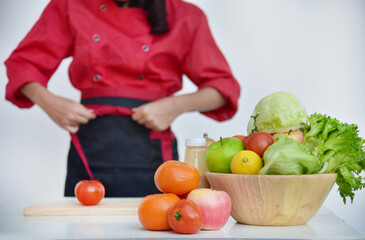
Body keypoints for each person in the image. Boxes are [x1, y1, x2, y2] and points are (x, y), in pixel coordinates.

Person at [4, 0, 240, 197]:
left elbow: (222, 88)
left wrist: (175, 105)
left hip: (152, 147)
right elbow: (25, 63)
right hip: (91, 141)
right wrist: (49, 102)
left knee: (158, 220)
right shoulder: (70, 5)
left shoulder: (186, 16)